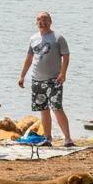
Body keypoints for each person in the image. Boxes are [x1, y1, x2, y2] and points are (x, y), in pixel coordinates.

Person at [18, 11, 75, 147]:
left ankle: (68, 139)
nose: (42, 22)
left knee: (57, 108)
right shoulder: (33, 38)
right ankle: (48, 138)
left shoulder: (58, 37)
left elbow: (66, 56)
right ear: (36, 22)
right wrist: (22, 76)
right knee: (43, 110)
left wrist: (63, 73)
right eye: (39, 20)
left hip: (54, 79)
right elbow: (29, 58)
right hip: (37, 79)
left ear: (50, 21)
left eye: (45, 20)